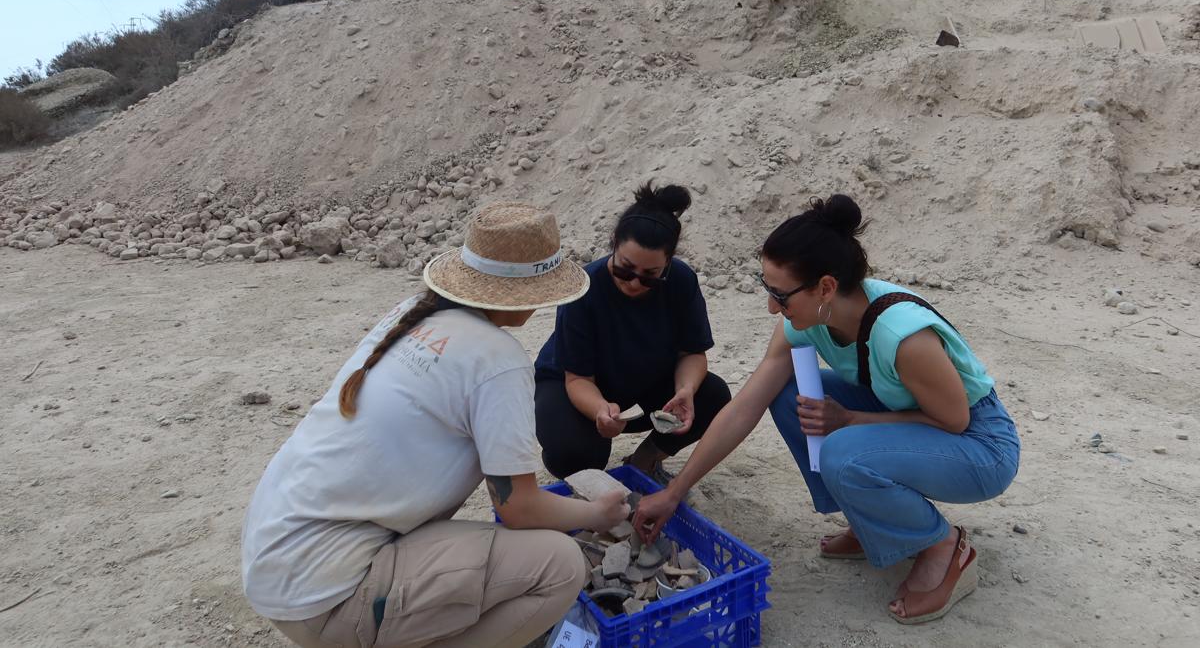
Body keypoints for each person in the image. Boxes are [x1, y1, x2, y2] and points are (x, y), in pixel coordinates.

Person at [242, 203, 630, 648]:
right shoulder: (498, 360)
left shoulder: (413, 312)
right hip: (325, 600)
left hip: (275, 562)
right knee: (560, 565)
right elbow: (518, 508)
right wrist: (596, 514)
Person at [635, 195, 1021, 625]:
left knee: (843, 452)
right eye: (768, 290)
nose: (771, 307)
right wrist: (673, 492)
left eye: (780, 296)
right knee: (790, 393)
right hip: (917, 417)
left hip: (980, 445)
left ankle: (944, 547)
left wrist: (854, 420)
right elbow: (747, 406)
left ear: (825, 287)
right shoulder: (810, 319)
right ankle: (872, 520)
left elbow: (955, 420)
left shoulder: (903, 336)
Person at [534, 182, 731, 482]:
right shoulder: (584, 287)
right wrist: (600, 409)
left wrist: (685, 390)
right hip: (575, 385)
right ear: (613, 242)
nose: (635, 283)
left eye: (650, 276)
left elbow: (692, 353)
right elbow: (577, 379)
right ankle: (585, 454)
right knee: (574, 455)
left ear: (668, 262)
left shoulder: (681, 281)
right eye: (625, 269)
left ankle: (645, 461)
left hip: (643, 385)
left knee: (713, 396)